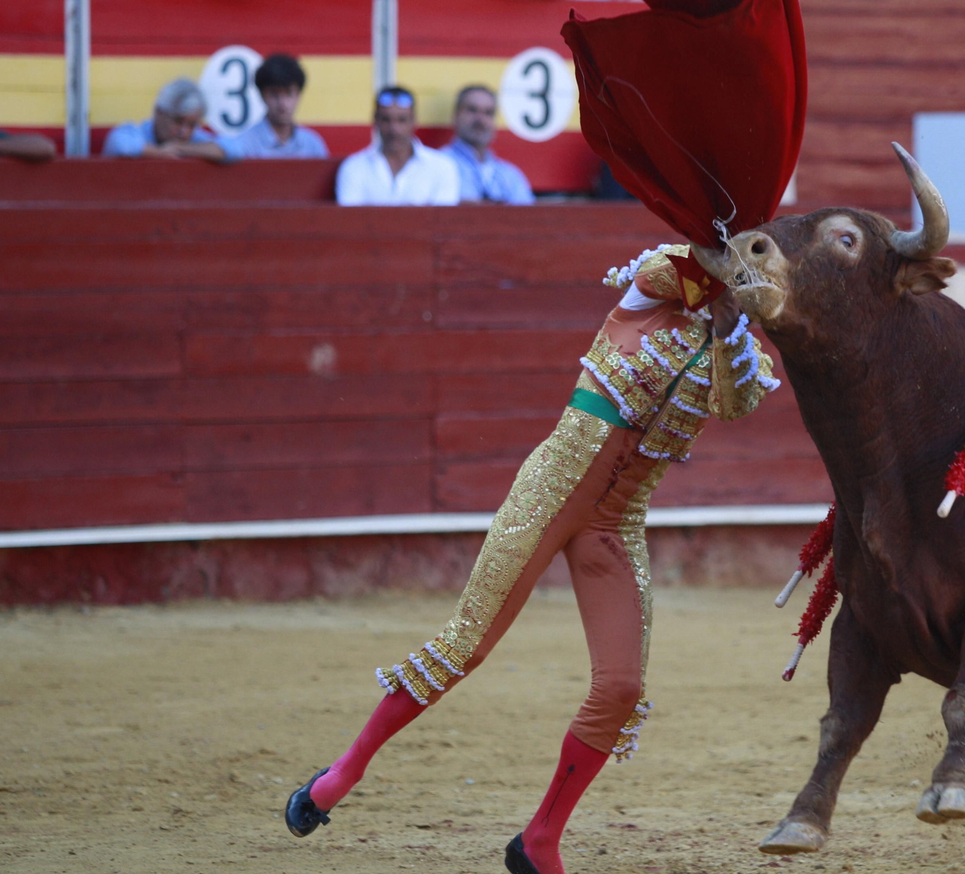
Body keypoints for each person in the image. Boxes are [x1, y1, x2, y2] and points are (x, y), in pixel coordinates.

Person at [282, 244, 779, 874]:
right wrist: (717, 260)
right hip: (548, 492)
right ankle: (344, 771)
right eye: (747, 261)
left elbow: (734, 402)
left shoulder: (742, 356)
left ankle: (540, 839)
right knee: (466, 645)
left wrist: (732, 317)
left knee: (621, 688)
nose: (752, 276)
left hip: (616, 521)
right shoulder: (651, 293)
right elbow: (669, 273)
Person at [335, 86, 462, 206]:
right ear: (375, 120)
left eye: (402, 120)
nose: (394, 129)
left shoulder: (442, 167)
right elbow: (350, 219)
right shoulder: (353, 167)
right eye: (386, 119)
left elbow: (443, 219)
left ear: (414, 121)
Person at [219, 54, 330, 159]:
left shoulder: (312, 145)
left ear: (298, 94)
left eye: (289, 93)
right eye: (274, 95)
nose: (282, 103)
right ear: (262, 95)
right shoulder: (246, 144)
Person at [443, 84, 534, 204]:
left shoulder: (510, 175)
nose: (480, 120)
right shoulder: (438, 166)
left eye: (488, 113)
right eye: (472, 110)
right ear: (456, 115)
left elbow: (528, 213)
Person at [102, 77, 228, 162]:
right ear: (159, 113)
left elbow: (232, 147)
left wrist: (180, 148)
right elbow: (119, 143)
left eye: (191, 125)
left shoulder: (193, 138)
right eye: (178, 121)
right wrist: (160, 153)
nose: (184, 132)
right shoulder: (135, 133)